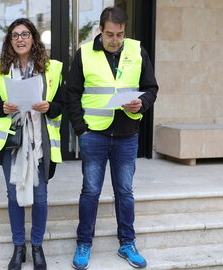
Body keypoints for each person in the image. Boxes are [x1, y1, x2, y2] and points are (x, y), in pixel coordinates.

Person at [67, 7, 158, 270]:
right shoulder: (84, 53)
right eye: (109, 34)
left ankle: (127, 243)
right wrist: (80, 129)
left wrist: (141, 104)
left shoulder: (137, 51)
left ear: (124, 32)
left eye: (119, 34)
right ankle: (84, 243)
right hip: (93, 134)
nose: (115, 40)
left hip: (127, 135)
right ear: (100, 30)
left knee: (125, 192)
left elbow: (151, 88)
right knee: (90, 192)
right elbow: (72, 93)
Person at [0, 18, 64, 270]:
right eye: (15, 35)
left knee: (40, 198)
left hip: (40, 143)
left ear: (33, 38)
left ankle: (37, 246)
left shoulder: (51, 68)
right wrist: (3, 107)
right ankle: (19, 246)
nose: (20, 39)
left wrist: (50, 107)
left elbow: (63, 105)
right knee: (13, 196)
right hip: (13, 143)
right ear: (10, 41)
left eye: (25, 34)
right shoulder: (0, 68)